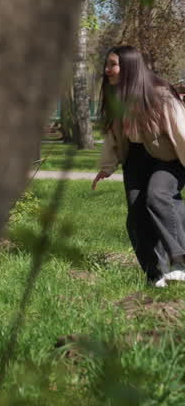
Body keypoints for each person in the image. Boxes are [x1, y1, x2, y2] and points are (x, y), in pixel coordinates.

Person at [92, 45, 185, 287]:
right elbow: (113, 135)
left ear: (130, 67)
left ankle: (180, 260)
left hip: (170, 158)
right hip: (136, 157)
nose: (107, 70)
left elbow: (181, 132)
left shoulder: (160, 95)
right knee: (136, 215)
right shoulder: (116, 97)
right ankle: (156, 275)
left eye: (113, 64)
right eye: (107, 64)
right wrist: (107, 166)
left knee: (158, 195)